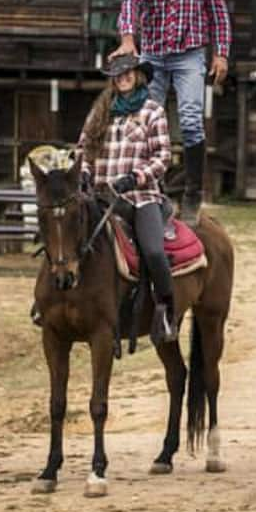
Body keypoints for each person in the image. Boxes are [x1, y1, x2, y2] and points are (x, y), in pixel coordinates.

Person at [114, 0, 232, 222]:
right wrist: (127, 39)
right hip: (151, 53)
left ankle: (194, 192)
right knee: (147, 122)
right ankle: (155, 189)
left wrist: (221, 53)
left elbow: (217, 10)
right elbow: (131, 2)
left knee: (191, 120)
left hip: (190, 55)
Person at [77, 52, 179, 344]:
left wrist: (136, 177)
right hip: (98, 195)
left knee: (154, 250)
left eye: (128, 73)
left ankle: (165, 309)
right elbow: (83, 150)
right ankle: (47, 303)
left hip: (140, 197)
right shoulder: (100, 110)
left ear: (138, 75)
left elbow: (163, 157)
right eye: (117, 75)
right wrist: (84, 173)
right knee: (64, 234)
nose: (122, 78)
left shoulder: (152, 111)